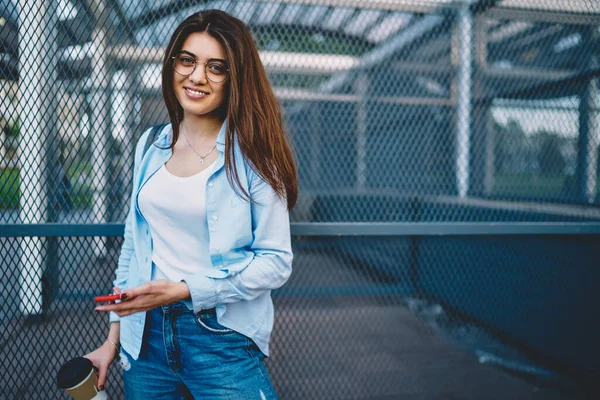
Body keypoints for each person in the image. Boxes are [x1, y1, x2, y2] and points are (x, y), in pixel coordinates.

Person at [85, 9, 298, 399]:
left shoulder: (255, 157)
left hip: (221, 340)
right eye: (187, 60)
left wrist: (186, 290)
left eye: (216, 67)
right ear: (172, 64)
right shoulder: (149, 145)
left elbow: (275, 261)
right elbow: (133, 248)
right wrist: (112, 342)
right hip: (144, 342)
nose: (197, 77)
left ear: (235, 78)